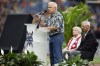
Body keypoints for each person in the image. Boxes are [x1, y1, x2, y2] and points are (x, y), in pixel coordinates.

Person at [34, 2, 64, 66]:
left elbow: (56, 27)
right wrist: (39, 20)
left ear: (55, 8)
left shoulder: (58, 15)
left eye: (50, 7)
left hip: (57, 36)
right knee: (52, 56)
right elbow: (45, 25)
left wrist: (46, 28)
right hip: (52, 37)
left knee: (57, 56)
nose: (48, 8)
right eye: (48, 7)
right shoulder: (50, 16)